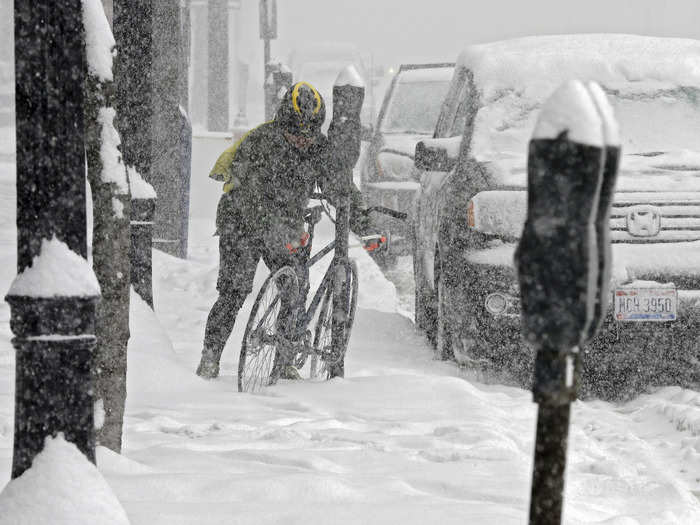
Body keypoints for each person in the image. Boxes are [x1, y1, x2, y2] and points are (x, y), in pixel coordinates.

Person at [196, 81, 369, 379]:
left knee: (296, 287)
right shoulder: (261, 143)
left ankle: (285, 356)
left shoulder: (318, 147)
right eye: (295, 130)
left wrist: (361, 215)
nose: (302, 138)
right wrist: (281, 229)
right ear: (281, 122)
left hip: (283, 224)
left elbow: (337, 184)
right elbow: (249, 198)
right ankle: (210, 357)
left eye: (310, 131)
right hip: (241, 222)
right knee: (234, 291)